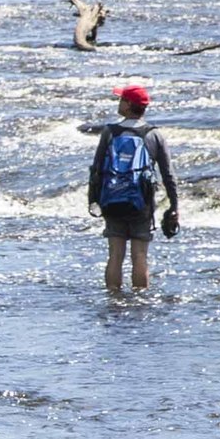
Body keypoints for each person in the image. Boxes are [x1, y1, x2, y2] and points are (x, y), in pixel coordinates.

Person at [87, 82, 180, 297]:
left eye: (121, 99)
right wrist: (174, 206)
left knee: (115, 255)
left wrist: (93, 200)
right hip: (142, 202)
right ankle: (139, 300)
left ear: (129, 105)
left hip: (111, 199)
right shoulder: (154, 134)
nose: (119, 102)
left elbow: (97, 169)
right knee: (140, 255)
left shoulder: (110, 132)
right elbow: (168, 175)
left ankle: (113, 298)